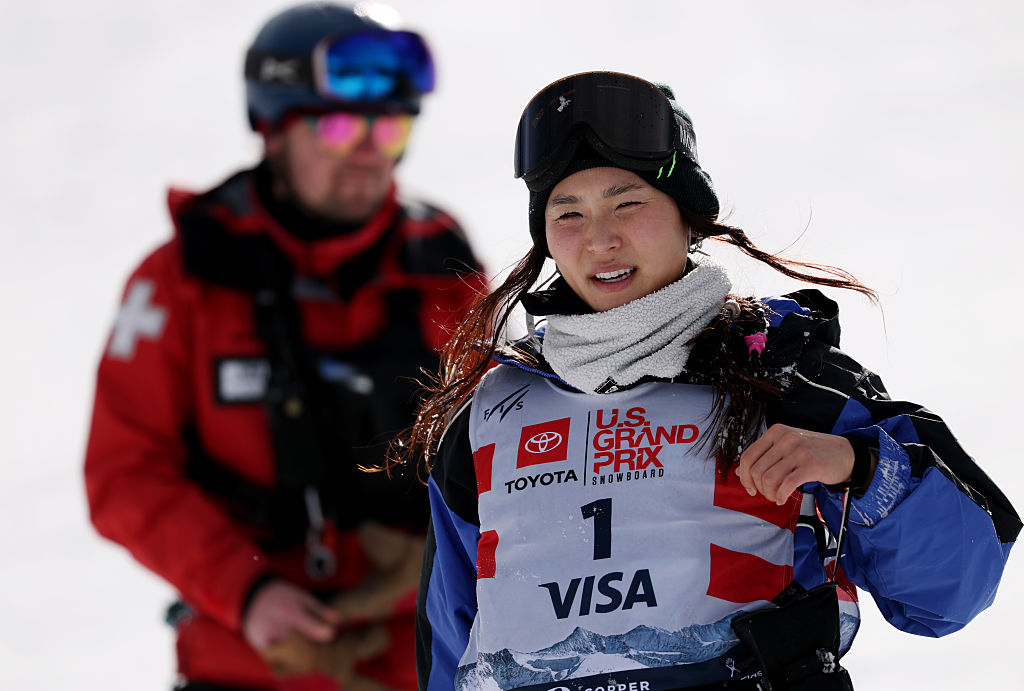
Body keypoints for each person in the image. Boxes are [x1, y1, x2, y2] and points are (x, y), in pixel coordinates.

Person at [406, 71, 1021, 691]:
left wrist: (858, 467)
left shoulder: (783, 376)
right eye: (568, 213)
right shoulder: (489, 410)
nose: (600, 239)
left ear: (688, 215)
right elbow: (449, 641)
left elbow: (951, 591)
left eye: (628, 203)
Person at [84, 3, 485, 690]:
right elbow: (126, 471)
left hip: (424, 656)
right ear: (272, 130)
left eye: (389, 127)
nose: (368, 150)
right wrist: (247, 591)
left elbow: (506, 441)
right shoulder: (183, 278)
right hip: (250, 660)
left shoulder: (443, 266)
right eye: (338, 126)